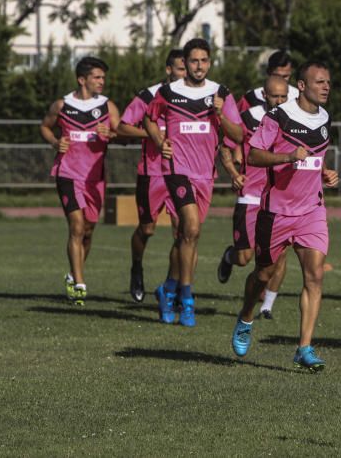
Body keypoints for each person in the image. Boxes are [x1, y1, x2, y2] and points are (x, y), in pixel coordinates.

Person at [230, 61, 339, 371]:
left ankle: (304, 348)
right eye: (319, 82)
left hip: (312, 210)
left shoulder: (325, 118)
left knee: (314, 275)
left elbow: (315, 161)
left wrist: (324, 174)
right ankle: (246, 316)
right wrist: (287, 156)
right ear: (302, 86)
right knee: (263, 275)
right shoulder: (277, 117)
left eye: (328, 82)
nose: (326, 87)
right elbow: (253, 155)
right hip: (276, 212)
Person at [144, 38, 243, 326]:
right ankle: (187, 300)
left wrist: (219, 113)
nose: (199, 66)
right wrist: (160, 140)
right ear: (184, 64)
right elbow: (149, 119)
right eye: (194, 61)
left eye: (204, 61)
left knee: (188, 236)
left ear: (209, 63)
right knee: (192, 227)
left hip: (205, 174)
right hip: (176, 169)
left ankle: (168, 289)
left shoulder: (221, 93)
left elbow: (237, 135)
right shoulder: (168, 92)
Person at [40, 56, 121, 305]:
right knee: (76, 227)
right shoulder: (62, 105)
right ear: (82, 79)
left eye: (103, 78)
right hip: (68, 174)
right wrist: (55, 142)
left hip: (94, 179)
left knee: (87, 231)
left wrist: (112, 133)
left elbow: (121, 132)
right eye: (97, 77)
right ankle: (79, 283)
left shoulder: (108, 106)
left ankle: (72, 274)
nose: (102, 82)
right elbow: (45, 126)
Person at [116, 49, 186, 303]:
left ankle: (172, 285)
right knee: (147, 229)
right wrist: (153, 135)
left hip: (181, 173)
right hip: (152, 174)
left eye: (187, 69)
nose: (184, 74)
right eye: (180, 69)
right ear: (168, 70)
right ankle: (137, 266)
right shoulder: (148, 95)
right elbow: (122, 126)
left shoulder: (195, 97)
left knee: (183, 232)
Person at [218, 76, 290, 320]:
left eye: (283, 96)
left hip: (280, 198)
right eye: (275, 96)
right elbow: (226, 145)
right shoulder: (249, 118)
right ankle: (229, 256)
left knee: (279, 254)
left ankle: (267, 306)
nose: (279, 101)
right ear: (265, 96)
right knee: (244, 257)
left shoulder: (294, 117)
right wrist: (233, 173)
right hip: (250, 196)